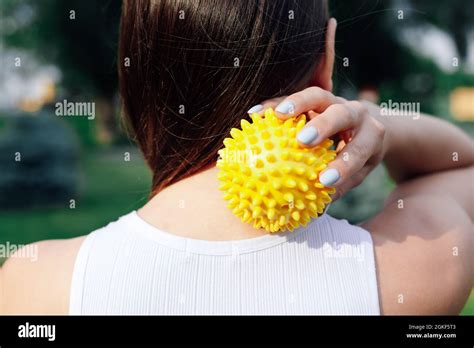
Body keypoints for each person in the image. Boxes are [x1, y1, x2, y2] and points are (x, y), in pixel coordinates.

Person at [1, 0, 472, 315]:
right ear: (326, 59)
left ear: (136, 75)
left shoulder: (33, 283)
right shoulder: (423, 264)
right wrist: (375, 123)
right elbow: (462, 160)